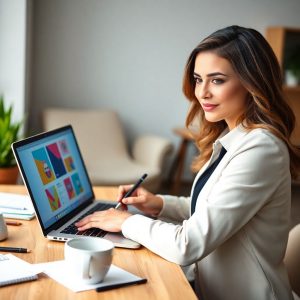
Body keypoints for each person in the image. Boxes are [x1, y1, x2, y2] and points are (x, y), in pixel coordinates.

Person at [76, 25, 300, 300]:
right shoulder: (234, 137)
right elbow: (214, 211)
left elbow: (188, 245)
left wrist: (124, 222)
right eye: (198, 79)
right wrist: (159, 204)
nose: (202, 92)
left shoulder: (261, 149)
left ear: (251, 83)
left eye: (217, 80)